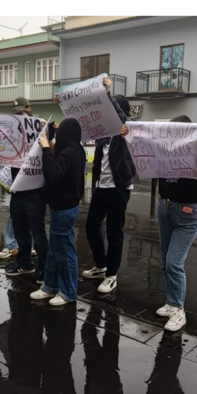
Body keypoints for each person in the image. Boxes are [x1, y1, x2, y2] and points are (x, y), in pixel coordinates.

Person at [156, 116, 197, 332]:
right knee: (165, 259)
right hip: (166, 208)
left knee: (174, 262)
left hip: (188, 213)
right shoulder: (165, 150)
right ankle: (171, 303)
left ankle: (179, 310)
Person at [83, 79, 136, 294]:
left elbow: (120, 116)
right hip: (102, 188)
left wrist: (106, 93)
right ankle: (101, 264)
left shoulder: (128, 129)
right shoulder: (106, 133)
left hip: (119, 189)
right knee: (90, 226)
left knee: (115, 232)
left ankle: (111, 274)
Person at [30, 118, 86, 306]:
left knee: (65, 251)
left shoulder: (69, 153)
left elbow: (52, 172)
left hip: (64, 208)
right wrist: (49, 134)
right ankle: (50, 285)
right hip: (62, 206)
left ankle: (68, 292)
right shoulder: (76, 149)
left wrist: (46, 149)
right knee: (54, 249)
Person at [5, 110, 49, 282]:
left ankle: (46, 271)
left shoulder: (39, 137)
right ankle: (25, 264)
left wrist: (44, 130)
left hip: (34, 194)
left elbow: (49, 148)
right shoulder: (11, 141)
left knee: (38, 234)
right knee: (20, 232)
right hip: (17, 193)